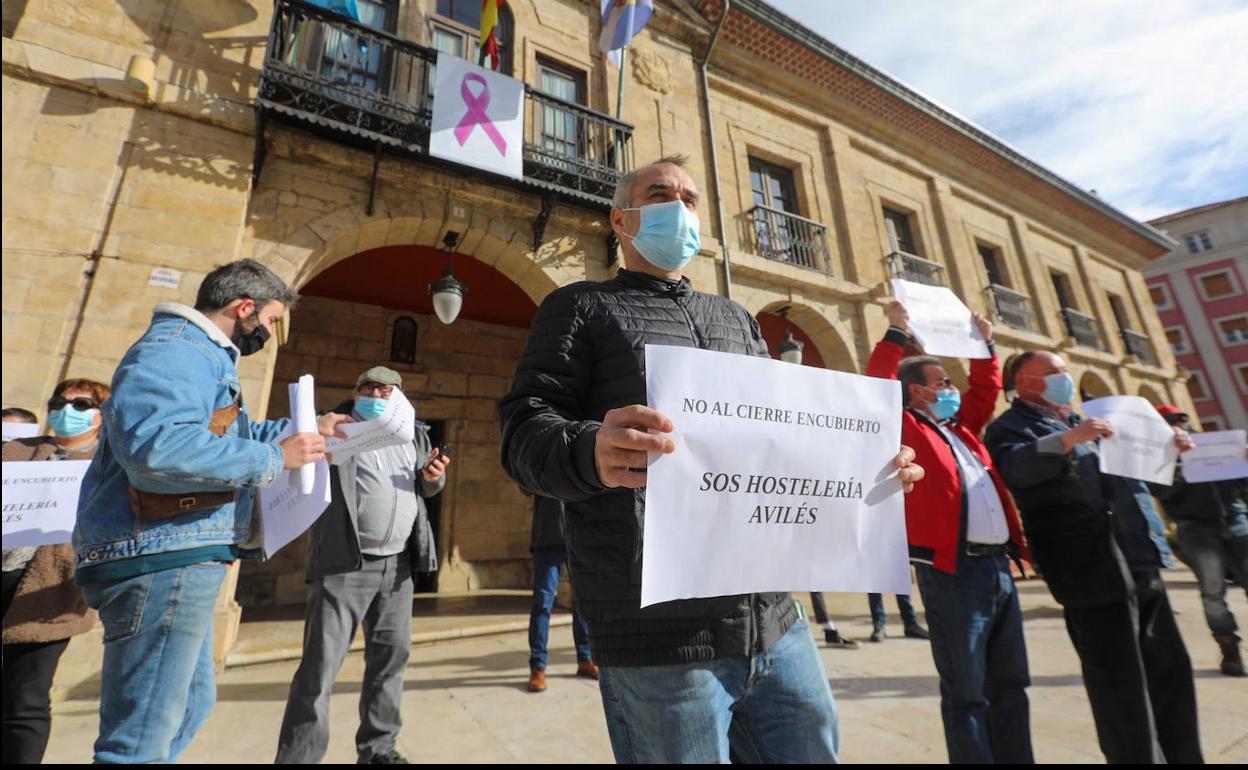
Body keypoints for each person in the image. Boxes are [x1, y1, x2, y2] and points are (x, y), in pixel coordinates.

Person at [498, 155, 925, 763]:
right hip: (659, 637)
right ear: (622, 219)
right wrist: (588, 448)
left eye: (691, 198)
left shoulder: (736, 319)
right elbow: (521, 435)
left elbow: (780, 440)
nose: (681, 208)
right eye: (661, 193)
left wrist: (866, 467)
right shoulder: (578, 308)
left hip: (776, 621)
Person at [72, 259, 349, 764]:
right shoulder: (178, 351)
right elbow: (157, 448)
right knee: (138, 741)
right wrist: (274, 459)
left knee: (191, 704)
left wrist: (305, 430)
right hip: (160, 555)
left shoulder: (206, 357)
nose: (269, 333)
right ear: (244, 307)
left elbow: (222, 436)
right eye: (270, 321)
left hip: (180, 551)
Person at [984, 351, 1202, 764]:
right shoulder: (1010, 427)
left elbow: (1152, 487)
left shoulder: (1094, 421)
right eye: (1053, 373)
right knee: (1119, 683)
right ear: (1025, 382)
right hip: (1088, 565)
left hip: (1139, 554)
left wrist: (1170, 453)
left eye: (1065, 371)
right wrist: (1066, 440)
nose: (1064, 379)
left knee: (1169, 670)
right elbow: (1015, 468)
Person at [865, 300, 1033, 763]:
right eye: (943, 383)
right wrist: (896, 332)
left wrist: (985, 343)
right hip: (954, 572)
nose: (953, 389)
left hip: (999, 569)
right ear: (917, 392)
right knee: (968, 693)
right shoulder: (905, 426)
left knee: (1012, 684)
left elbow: (986, 387)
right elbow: (875, 388)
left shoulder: (964, 429)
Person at [276, 366, 449, 764]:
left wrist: (432, 479)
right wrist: (314, 432)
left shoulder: (413, 435)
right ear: (356, 393)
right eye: (368, 387)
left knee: (390, 660)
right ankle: (299, 758)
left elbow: (421, 487)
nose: (375, 394)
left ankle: (378, 750)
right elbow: (295, 464)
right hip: (344, 565)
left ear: (398, 398)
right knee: (319, 669)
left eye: (384, 390)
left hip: (399, 567)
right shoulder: (335, 428)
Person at [2, 379, 108, 763]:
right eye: (59, 403)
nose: (67, 411)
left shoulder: (108, 465)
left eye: (81, 405)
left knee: (25, 697)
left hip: (50, 590)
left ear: (102, 415)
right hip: (4, 572)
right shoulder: (16, 450)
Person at [1148, 404, 1248, 677]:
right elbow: (1160, 493)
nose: (1180, 424)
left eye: (1183, 418)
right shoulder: (1159, 457)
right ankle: (1230, 651)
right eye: (1172, 420)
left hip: (1236, 520)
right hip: (1196, 529)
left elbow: (1240, 484)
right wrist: (1183, 466)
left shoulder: (1212, 445)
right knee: (1213, 591)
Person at [526, 496, 597, 691]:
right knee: (542, 603)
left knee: (582, 601)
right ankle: (538, 666)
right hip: (547, 536)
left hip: (579, 538)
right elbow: (525, 483)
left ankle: (585, 659)